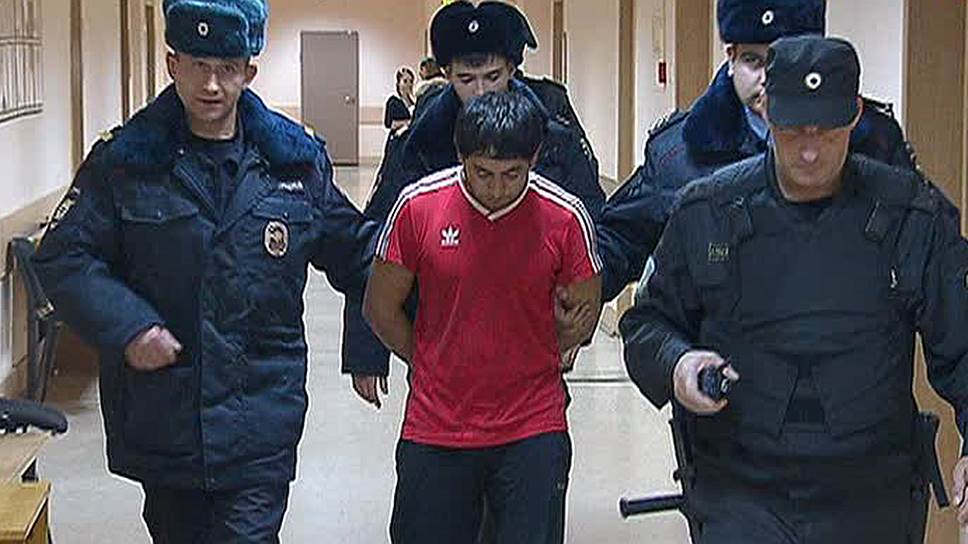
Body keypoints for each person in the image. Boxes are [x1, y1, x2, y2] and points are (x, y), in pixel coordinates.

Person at [31, 0, 380, 541]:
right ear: (172, 64)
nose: (212, 84)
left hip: (260, 414)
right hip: (167, 418)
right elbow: (63, 256)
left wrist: (397, 330)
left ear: (249, 72)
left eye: (227, 68)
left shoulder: (293, 163)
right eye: (197, 65)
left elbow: (360, 257)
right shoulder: (126, 162)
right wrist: (130, 326)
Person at [621, 35, 968, 543]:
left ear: (855, 114)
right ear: (765, 110)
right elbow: (646, 324)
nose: (809, 151)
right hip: (741, 490)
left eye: (826, 131)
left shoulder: (909, 215)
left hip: (872, 492)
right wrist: (678, 365)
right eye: (792, 130)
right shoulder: (708, 211)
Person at [365, 91, 601, 544]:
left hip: (532, 424)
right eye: (483, 173)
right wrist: (428, 357)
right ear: (461, 157)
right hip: (437, 424)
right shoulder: (418, 207)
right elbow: (380, 307)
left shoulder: (565, 217)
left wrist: (550, 340)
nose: (496, 188)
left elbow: (584, 315)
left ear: (534, 160)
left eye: (512, 174)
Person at [346, 0, 603, 400]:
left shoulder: (552, 129)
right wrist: (367, 349)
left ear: (512, 69)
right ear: (447, 74)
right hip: (442, 323)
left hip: (530, 327)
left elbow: (591, 229)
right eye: (466, 79)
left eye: (492, 76)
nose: (480, 91)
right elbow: (378, 240)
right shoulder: (420, 141)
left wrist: (577, 323)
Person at [596, 0, 935, 302]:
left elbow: (929, 247)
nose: (768, 80)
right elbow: (620, 240)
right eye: (753, 61)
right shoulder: (680, 153)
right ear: (731, 58)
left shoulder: (873, 141)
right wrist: (580, 295)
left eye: (783, 61)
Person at [384, 66, 415, 136]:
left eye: (411, 81)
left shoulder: (416, 102)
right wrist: (408, 123)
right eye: (405, 81)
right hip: (398, 137)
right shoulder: (393, 101)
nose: (409, 84)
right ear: (398, 83)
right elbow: (389, 124)